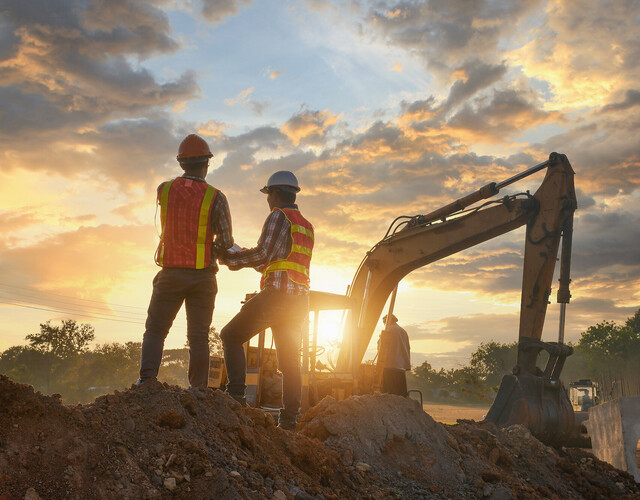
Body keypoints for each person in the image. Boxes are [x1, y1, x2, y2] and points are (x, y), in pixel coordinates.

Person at [137, 134, 233, 389]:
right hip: (202, 276)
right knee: (199, 337)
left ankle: (146, 382)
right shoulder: (216, 197)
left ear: (181, 163)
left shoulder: (164, 190)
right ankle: (199, 392)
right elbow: (224, 242)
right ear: (207, 164)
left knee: (156, 330)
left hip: (171, 273)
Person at [220, 170, 313, 431]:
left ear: (273, 194)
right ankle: (289, 420)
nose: (268, 200)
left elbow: (262, 254)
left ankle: (235, 397)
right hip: (298, 301)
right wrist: (247, 259)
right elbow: (276, 263)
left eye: (268, 195)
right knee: (290, 360)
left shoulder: (277, 216)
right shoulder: (305, 224)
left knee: (230, 335)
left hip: (277, 298)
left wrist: (230, 258)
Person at [377, 314, 411, 396]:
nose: (384, 324)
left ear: (387, 321)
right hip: (401, 368)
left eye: (384, 322)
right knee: (400, 395)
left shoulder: (388, 330)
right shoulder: (403, 331)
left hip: (389, 366)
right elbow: (408, 348)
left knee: (388, 394)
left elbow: (381, 348)